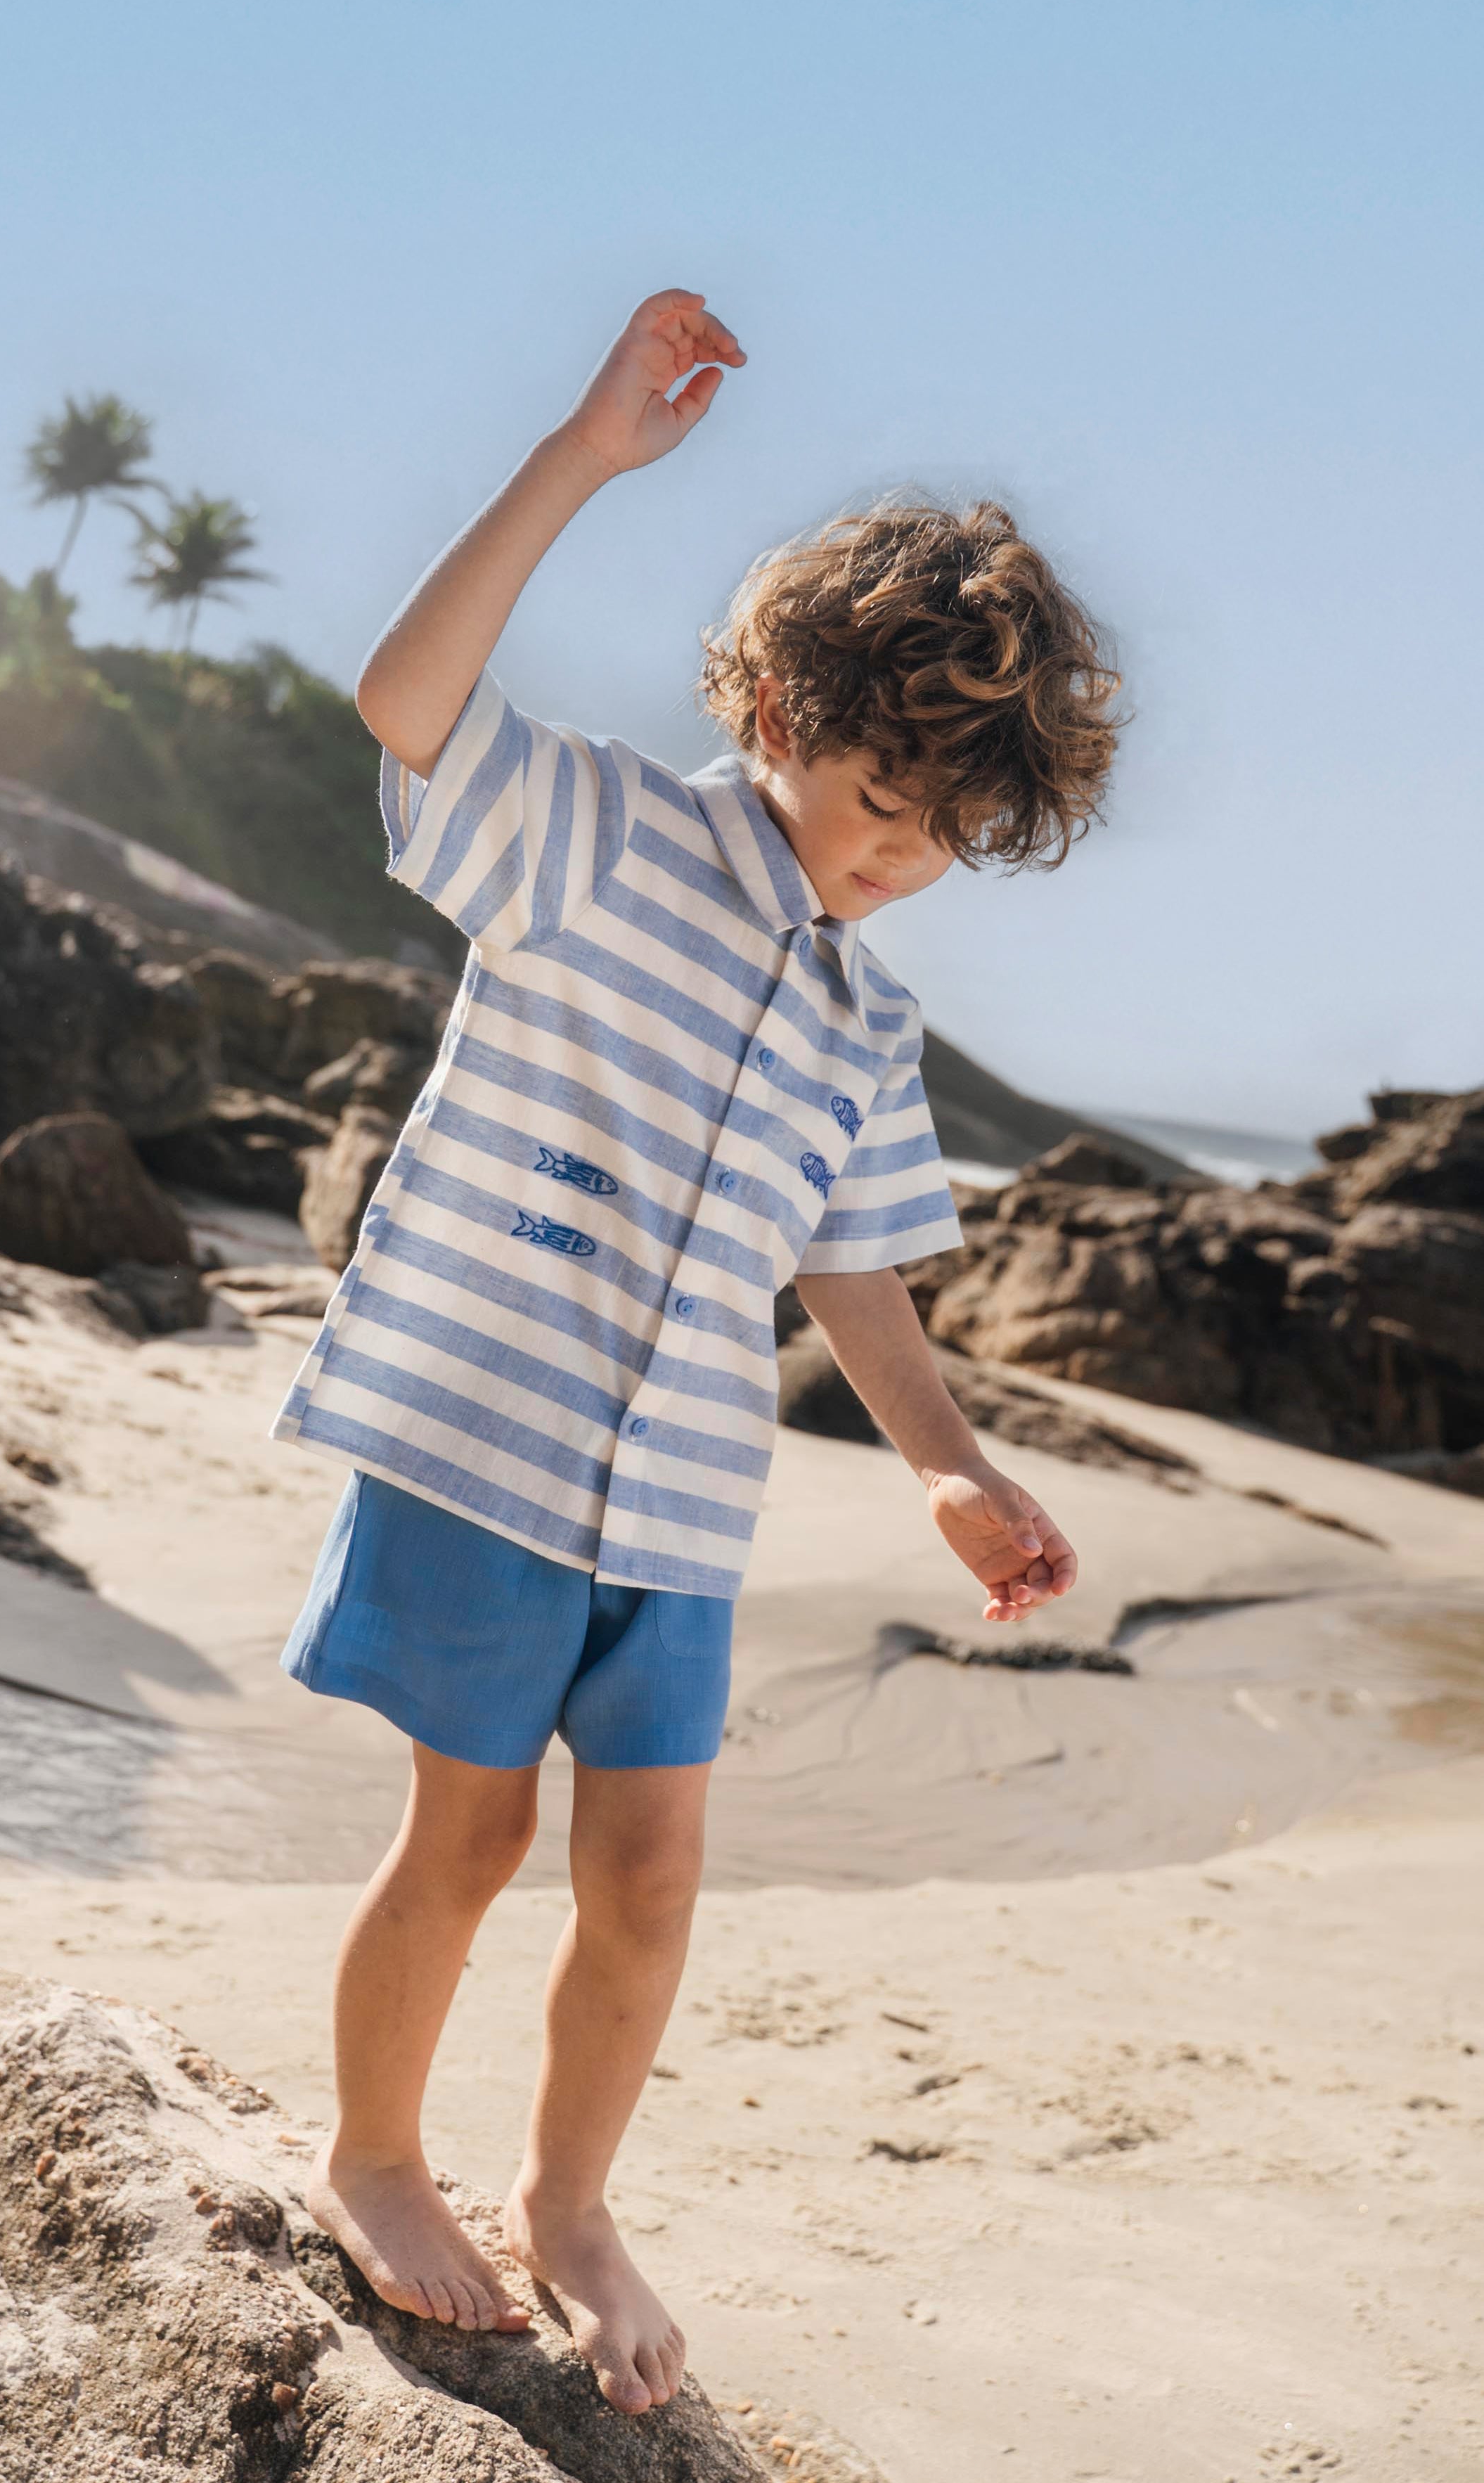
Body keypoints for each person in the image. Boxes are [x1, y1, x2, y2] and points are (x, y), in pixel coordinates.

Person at [271, 290, 1119, 2417]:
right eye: (862, 789)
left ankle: (569, 2201)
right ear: (766, 699)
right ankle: (377, 2154)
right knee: (465, 1839)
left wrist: (944, 1459)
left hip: (679, 1502)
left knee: (649, 1879)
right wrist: (581, 455)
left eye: (931, 838)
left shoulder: (864, 1022)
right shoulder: (593, 837)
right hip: (488, 1441)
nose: (877, 852)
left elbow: (854, 1268)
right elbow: (403, 697)